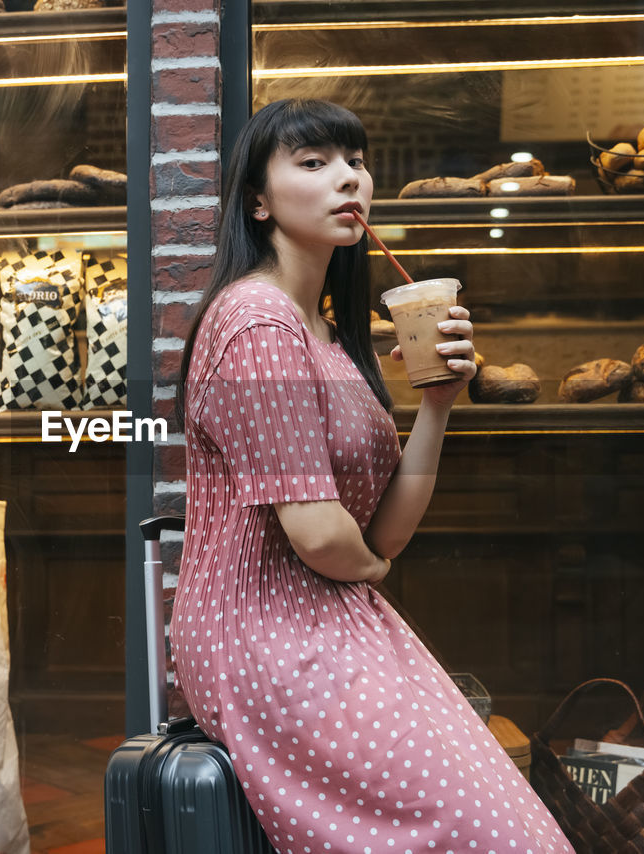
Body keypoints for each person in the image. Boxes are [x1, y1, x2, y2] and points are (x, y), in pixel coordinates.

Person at [172, 98, 575, 854]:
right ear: (258, 201)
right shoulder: (258, 323)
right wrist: (371, 570)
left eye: (355, 162)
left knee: (508, 824)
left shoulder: (324, 331)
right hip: (265, 636)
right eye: (314, 163)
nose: (348, 180)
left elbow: (383, 527)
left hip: (333, 617)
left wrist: (438, 406)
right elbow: (326, 539)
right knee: (499, 835)